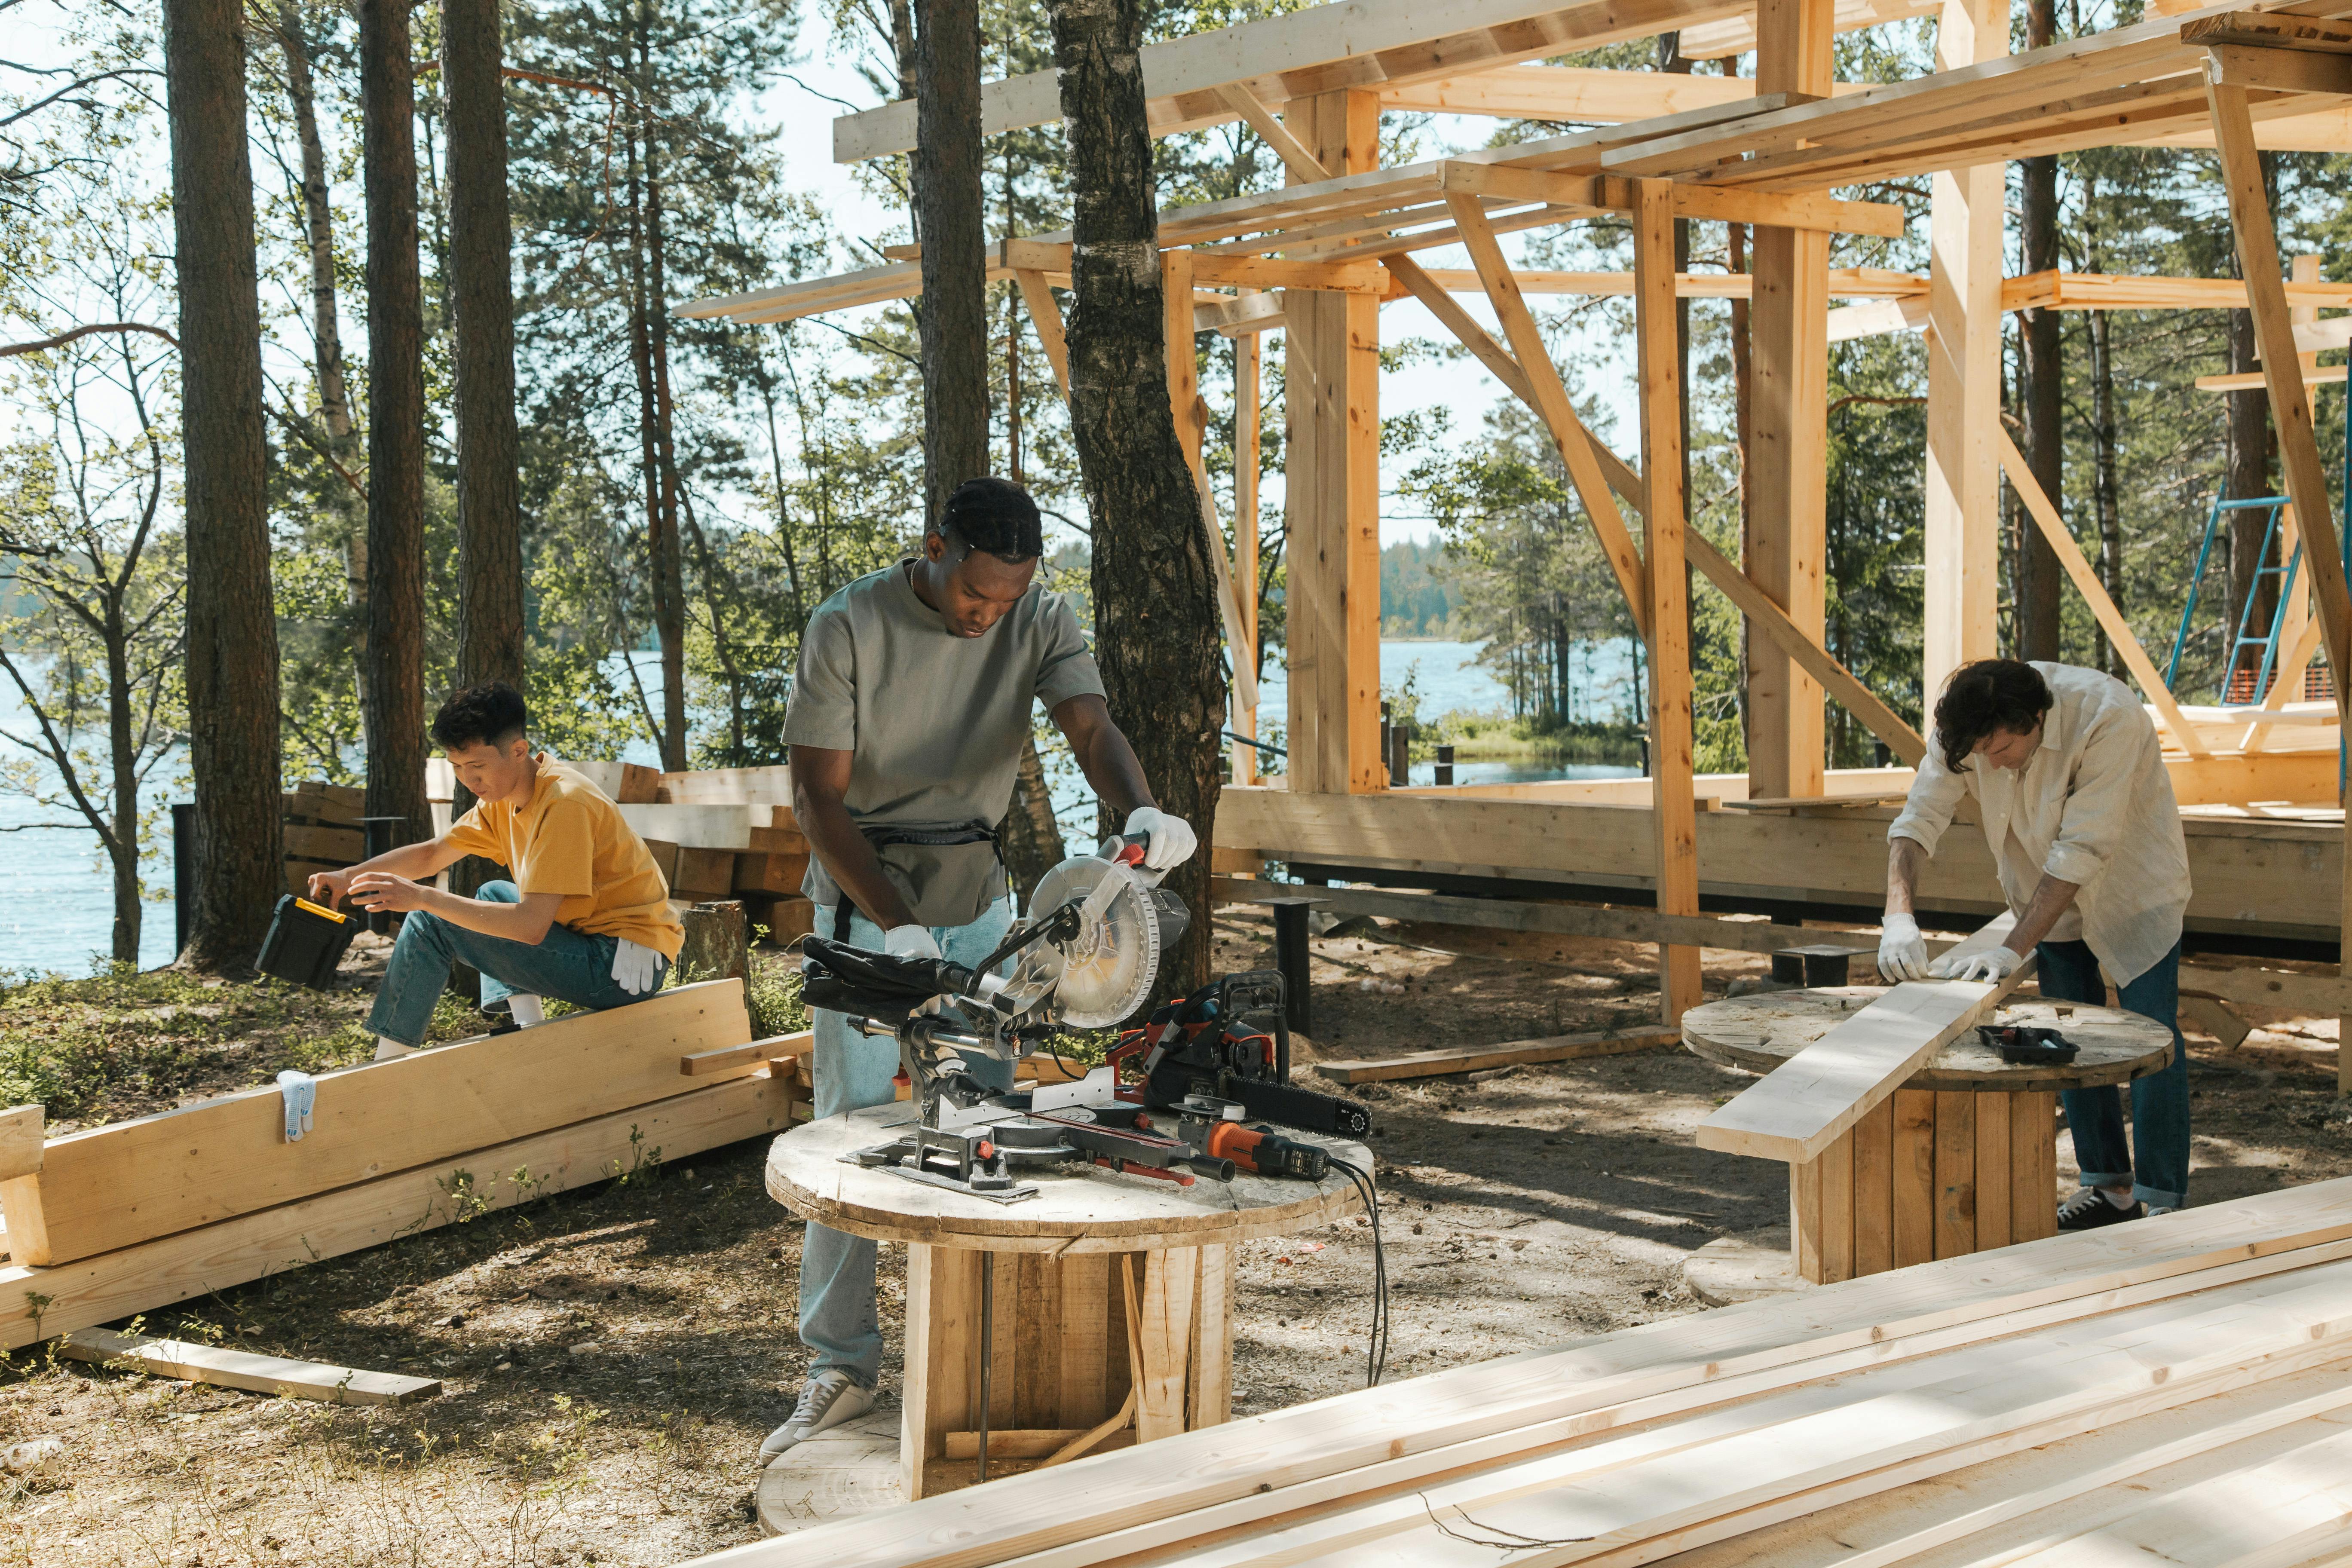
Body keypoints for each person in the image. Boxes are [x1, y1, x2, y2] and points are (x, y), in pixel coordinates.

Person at [760, 475, 1196, 1466]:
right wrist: (894, 924)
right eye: (973, 597)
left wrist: (1138, 809)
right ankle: (840, 1363)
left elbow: (1088, 726)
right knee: (851, 1128)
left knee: (986, 1131)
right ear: (936, 548)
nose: (985, 617)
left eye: (1005, 601)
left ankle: (982, 1349)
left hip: (982, 897)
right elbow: (815, 802)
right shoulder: (847, 624)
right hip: (868, 894)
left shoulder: (1037, 617)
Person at [1879, 658, 2193, 1231]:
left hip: (2132, 892)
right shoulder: (1966, 726)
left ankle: (2162, 1200)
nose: (1989, 765)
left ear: (2037, 720)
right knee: (2063, 1044)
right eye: (1979, 755)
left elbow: (2082, 849)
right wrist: (1898, 914)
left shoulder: (2107, 716)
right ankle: (2110, 1190)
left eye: (2000, 752)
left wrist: (2012, 946)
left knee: (2153, 1041)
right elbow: (1919, 818)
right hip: (2044, 901)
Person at [309, 681, 685, 1060]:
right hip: (596, 944)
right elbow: (432, 855)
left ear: (518, 751)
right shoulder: (503, 799)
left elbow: (530, 926)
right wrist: (349, 876)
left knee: (430, 919)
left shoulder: (566, 805)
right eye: (456, 767)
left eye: (477, 766)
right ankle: (529, 1033)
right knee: (492, 892)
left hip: (622, 967)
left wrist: (423, 897)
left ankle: (383, 1066)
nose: (468, 781)